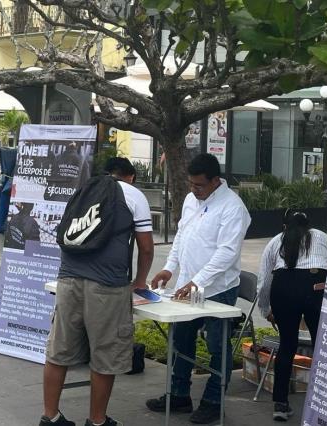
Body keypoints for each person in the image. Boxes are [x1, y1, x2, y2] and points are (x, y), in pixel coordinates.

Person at [39, 157, 154, 426]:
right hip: (108, 286)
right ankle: (97, 421)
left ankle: (50, 416)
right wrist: (139, 281)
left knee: (59, 350)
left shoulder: (84, 189)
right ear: (131, 176)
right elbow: (146, 247)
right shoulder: (134, 195)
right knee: (105, 354)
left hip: (67, 280)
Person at [146, 153, 251, 424]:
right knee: (180, 340)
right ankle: (179, 394)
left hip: (218, 288)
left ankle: (214, 402)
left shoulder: (233, 207)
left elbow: (226, 253)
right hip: (186, 285)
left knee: (218, 346)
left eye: (200, 185)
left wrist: (198, 280)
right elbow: (182, 235)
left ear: (216, 181)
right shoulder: (192, 199)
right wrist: (170, 267)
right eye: (191, 184)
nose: (194, 190)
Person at [256, 209, 327, 421]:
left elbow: (263, 281)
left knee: (287, 345)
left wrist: (266, 309)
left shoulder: (276, 241)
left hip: (284, 289)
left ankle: (280, 404)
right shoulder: (322, 236)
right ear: (309, 225)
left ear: (284, 226)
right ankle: (323, 402)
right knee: (321, 347)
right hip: (315, 286)